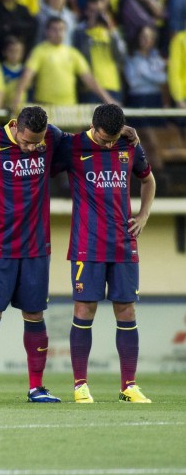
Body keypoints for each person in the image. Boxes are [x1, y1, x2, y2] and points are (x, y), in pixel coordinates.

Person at [58, 104, 156, 403]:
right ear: (92, 126)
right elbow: (43, 139)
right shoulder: (72, 145)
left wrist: (143, 216)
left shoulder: (129, 145)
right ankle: (80, 385)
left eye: (113, 138)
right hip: (87, 246)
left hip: (123, 245)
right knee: (84, 309)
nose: (109, 143)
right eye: (104, 138)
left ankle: (129, 385)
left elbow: (148, 180)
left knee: (126, 310)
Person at [0, 106, 67, 403]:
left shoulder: (52, 137)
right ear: (16, 126)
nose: (31, 148)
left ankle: (36, 387)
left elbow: (87, 142)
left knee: (35, 314)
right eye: (26, 142)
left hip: (36, 246)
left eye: (36, 143)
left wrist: (128, 136)